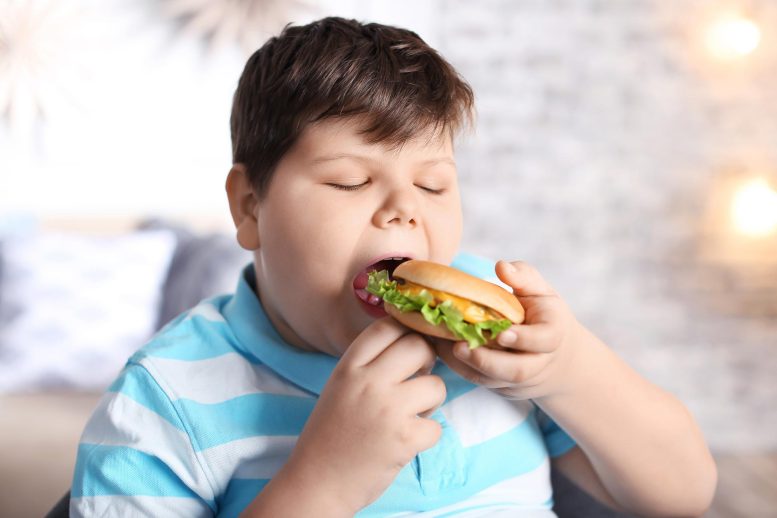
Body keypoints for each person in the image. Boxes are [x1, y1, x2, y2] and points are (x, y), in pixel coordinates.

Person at [70, 16, 716, 517]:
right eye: (351, 182)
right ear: (250, 208)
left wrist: (567, 369)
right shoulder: (164, 399)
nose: (404, 209)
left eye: (433, 186)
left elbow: (680, 494)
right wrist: (321, 484)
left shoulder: (495, 339)